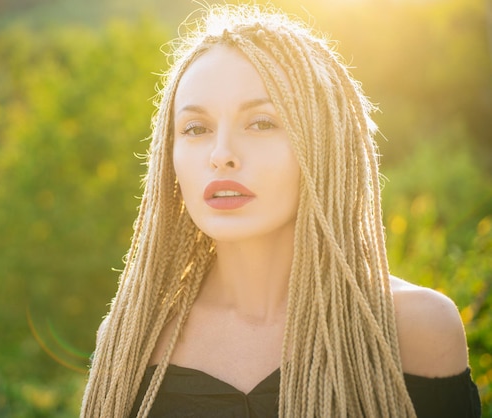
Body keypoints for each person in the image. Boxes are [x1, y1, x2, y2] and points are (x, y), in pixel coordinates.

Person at [81, 4, 481, 417]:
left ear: (324, 145)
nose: (222, 155)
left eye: (262, 123)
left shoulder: (415, 327)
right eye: (196, 129)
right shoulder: (132, 339)